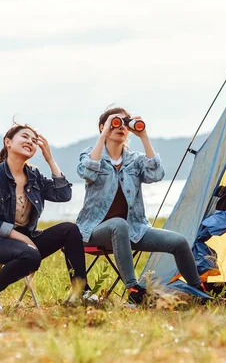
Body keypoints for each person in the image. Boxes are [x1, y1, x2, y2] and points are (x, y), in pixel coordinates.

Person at [76, 107, 205, 305]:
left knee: (179, 242)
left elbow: (156, 174)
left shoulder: (134, 160)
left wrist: (143, 136)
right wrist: (102, 136)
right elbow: (87, 172)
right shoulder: (91, 155)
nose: (120, 126)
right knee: (118, 224)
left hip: (134, 230)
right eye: (114, 122)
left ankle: (198, 291)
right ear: (103, 127)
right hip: (95, 231)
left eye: (124, 123)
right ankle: (133, 288)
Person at [0, 123, 88, 311]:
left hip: (27, 242)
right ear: (8, 142)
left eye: (34, 140)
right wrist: (24, 238)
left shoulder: (34, 176)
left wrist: (50, 159)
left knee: (70, 229)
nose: (30, 142)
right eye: (25, 137)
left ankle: (80, 292)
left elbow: (64, 195)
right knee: (31, 254)